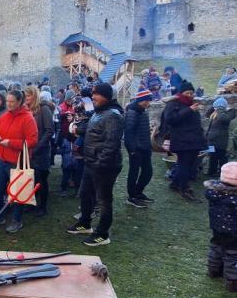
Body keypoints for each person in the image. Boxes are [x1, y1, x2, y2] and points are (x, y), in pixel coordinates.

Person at [66, 83, 124, 246]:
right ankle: (85, 224)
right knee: (85, 194)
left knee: (104, 201)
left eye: (95, 94)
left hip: (104, 166)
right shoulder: (100, 112)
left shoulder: (113, 115)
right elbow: (93, 130)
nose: (92, 97)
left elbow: (111, 145)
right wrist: (78, 129)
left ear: (105, 96)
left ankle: (102, 234)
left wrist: (100, 164)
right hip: (91, 163)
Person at [0, 89, 38, 233]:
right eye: (7, 101)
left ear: (19, 102)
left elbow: (32, 141)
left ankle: (17, 220)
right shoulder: (5, 116)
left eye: (11, 102)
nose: (8, 104)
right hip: (2, 160)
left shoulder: (28, 118)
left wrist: (11, 143)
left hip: (17, 161)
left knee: (18, 193)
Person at [204, 162, 237, 294]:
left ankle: (213, 270)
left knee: (216, 248)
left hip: (217, 228)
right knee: (233, 255)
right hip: (234, 233)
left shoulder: (215, 192)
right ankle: (234, 282)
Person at [162, 81, 206, 202]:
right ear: (181, 93)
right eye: (188, 93)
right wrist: (189, 110)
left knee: (189, 164)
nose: (191, 95)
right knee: (185, 165)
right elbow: (171, 120)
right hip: (182, 140)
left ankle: (175, 184)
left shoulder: (192, 104)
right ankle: (184, 189)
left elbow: (195, 124)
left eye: (192, 93)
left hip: (194, 141)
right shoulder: (173, 104)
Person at [24, 86, 54, 217]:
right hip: (29, 150)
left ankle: (43, 206)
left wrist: (37, 147)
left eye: (28, 96)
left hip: (41, 151)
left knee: (41, 180)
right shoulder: (27, 110)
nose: (26, 98)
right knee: (31, 178)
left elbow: (49, 131)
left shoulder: (44, 109)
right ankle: (32, 203)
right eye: (25, 96)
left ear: (35, 96)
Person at [123, 89, 154, 208]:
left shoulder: (143, 111)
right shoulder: (132, 112)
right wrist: (132, 149)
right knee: (134, 173)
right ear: (140, 100)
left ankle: (138, 192)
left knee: (148, 172)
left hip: (145, 147)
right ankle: (132, 197)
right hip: (136, 149)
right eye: (146, 100)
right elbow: (129, 132)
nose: (148, 103)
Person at [205, 97, 237, 177]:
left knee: (222, 157)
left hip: (220, 141)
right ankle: (212, 172)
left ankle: (224, 172)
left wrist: (220, 109)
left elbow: (226, 118)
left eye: (217, 107)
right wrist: (214, 106)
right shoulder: (214, 114)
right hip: (211, 140)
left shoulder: (226, 114)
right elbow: (207, 114)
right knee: (212, 156)